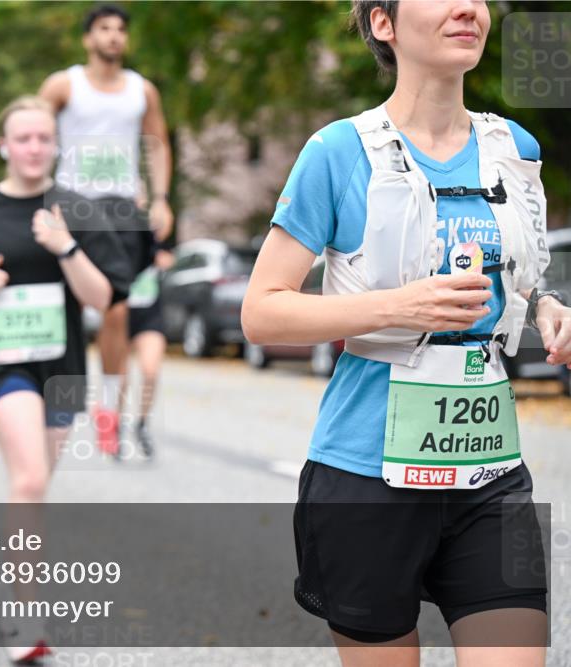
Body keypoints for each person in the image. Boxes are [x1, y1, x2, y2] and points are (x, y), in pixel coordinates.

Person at [242, 2, 569, 665]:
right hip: (367, 477)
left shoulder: (515, 149)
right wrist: (400, 308)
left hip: (488, 472)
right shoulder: (338, 152)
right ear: (382, 23)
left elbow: (525, 273)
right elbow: (263, 312)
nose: (467, 8)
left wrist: (545, 308)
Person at [0, 96, 131, 661]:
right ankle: (23, 609)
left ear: (56, 145)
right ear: (4, 146)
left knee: (37, 481)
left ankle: (10, 583)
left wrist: (65, 246)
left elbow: (104, 298)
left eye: (44, 138)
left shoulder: (77, 210)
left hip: (62, 366)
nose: (34, 147)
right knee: (27, 477)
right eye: (23, 138)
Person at [40, 2, 174, 458]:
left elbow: (158, 144)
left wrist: (159, 198)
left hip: (121, 210)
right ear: (88, 38)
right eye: (104, 29)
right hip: (72, 204)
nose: (114, 36)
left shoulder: (142, 90)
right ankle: (56, 405)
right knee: (68, 309)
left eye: (120, 29)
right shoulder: (64, 84)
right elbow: (35, 133)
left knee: (117, 309)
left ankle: (109, 411)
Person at [119, 247, 174, 458]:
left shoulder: (149, 235)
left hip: (150, 316)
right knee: (121, 378)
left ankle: (141, 423)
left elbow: (164, 219)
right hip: (120, 315)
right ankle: (116, 421)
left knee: (150, 371)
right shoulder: (114, 232)